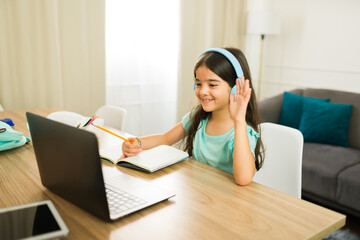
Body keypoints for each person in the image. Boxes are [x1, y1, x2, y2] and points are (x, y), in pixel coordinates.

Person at [121, 47, 264, 185]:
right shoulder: (198, 117)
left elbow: (243, 179)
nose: (203, 91)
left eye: (212, 85)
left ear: (235, 89)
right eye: (198, 84)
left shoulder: (242, 131)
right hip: (198, 193)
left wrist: (239, 121)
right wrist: (136, 143)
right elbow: (165, 138)